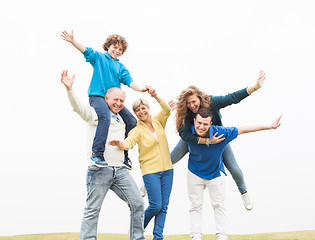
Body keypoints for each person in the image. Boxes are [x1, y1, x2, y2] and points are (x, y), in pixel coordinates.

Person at [60, 70, 145, 240]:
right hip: (99, 170)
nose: (119, 103)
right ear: (106, 99)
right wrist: (70, 89)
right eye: (115, 100)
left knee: (138, 203)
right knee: (93, 209)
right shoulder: (96, 114)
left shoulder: (123, 119)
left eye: (122, 101)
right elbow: (79, 108)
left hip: (120, 170)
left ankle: (137, 238)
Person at [171, 71, 266, 210]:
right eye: (188, 103)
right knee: (171, 159)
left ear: (199, 98)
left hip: (217, 139)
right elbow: (183, 134)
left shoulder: (211, 102)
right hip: (195, 140)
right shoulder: (186, 113)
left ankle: (244, 192)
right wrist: (207, 142)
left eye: (193, 101)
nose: (191, 105)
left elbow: (232, 98)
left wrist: (255, 87)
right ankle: (149, 179)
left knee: (234, 168)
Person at [187, 107, 281, 240]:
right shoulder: (187, 132)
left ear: (211, 124)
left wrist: (270, 126)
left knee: (219, 205)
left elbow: (243, 129)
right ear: (194, 121)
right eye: (199, 123)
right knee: (195, 205)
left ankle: (222, 236)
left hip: (215, 173)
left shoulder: (221, 133)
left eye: (205, 124)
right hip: (194, 173)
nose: (201, 127)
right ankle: (195, 236)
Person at [61, 30, 148, 169]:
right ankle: (97, 153)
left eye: (120, 49)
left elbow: (130, 82)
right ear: (108, 47)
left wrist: (142, 88)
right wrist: (72, 41)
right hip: (98, 96)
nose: (117, 51)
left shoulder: (120, 67)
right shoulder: (100, 58)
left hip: (114, 101)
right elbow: (86, 50)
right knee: (105, 117)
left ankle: (124, 156)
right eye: (114, 47)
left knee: (131, 121)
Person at [109, 88, 174, 240]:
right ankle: (136, 230)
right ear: (136, 113)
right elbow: (129, 142)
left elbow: (167, 109)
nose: (141, 112)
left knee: (164, 207)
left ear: (148, 108)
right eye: (137, 110)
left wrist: (155, 95)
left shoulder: (158, 121)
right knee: (155, 205)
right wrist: (120, 143)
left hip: (168, 170)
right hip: (150, 171)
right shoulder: (137, 130)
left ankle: (158, 237)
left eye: (143, 108)